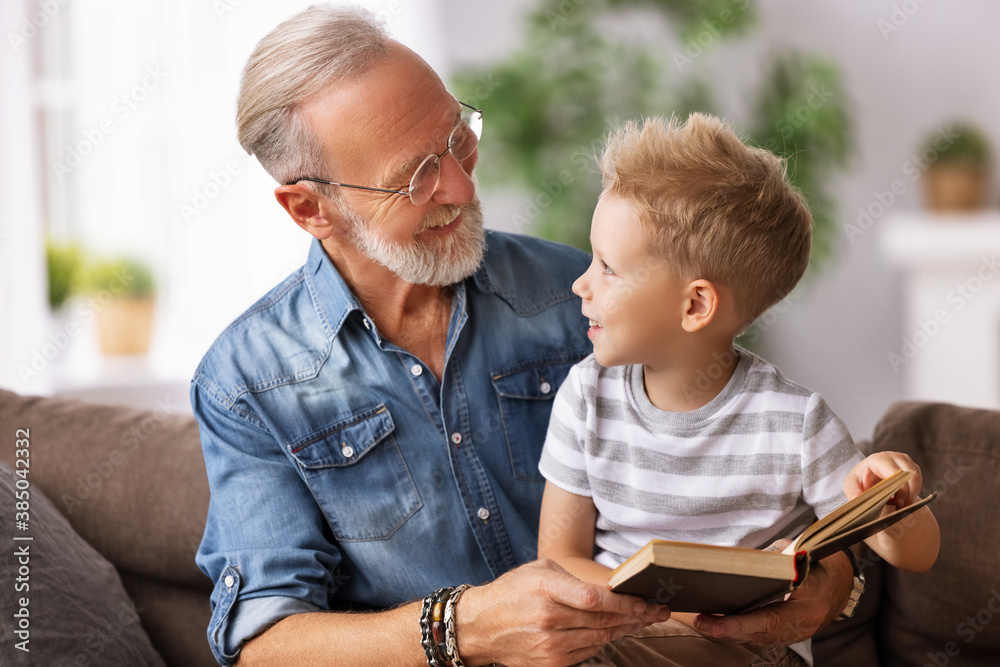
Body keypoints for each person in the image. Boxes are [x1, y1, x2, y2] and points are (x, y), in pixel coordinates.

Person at [192, 6, 860, 666]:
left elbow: (754, 457)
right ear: (311, 208)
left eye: (459, 137)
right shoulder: (247, 380)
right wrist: (462, 629)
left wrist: (828, 588)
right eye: (416, 176)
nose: (460, 182)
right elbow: (265, 641)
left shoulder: (573, 293)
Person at [537, 114, 941, 665]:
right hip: (621, 635)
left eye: (607, 267)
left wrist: (899, 504)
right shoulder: (586, 397)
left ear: (695, 305)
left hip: (748, 651)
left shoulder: (795, 422)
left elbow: (916, 557)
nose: (581, 284)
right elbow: (559, 558)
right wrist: (665, 618)